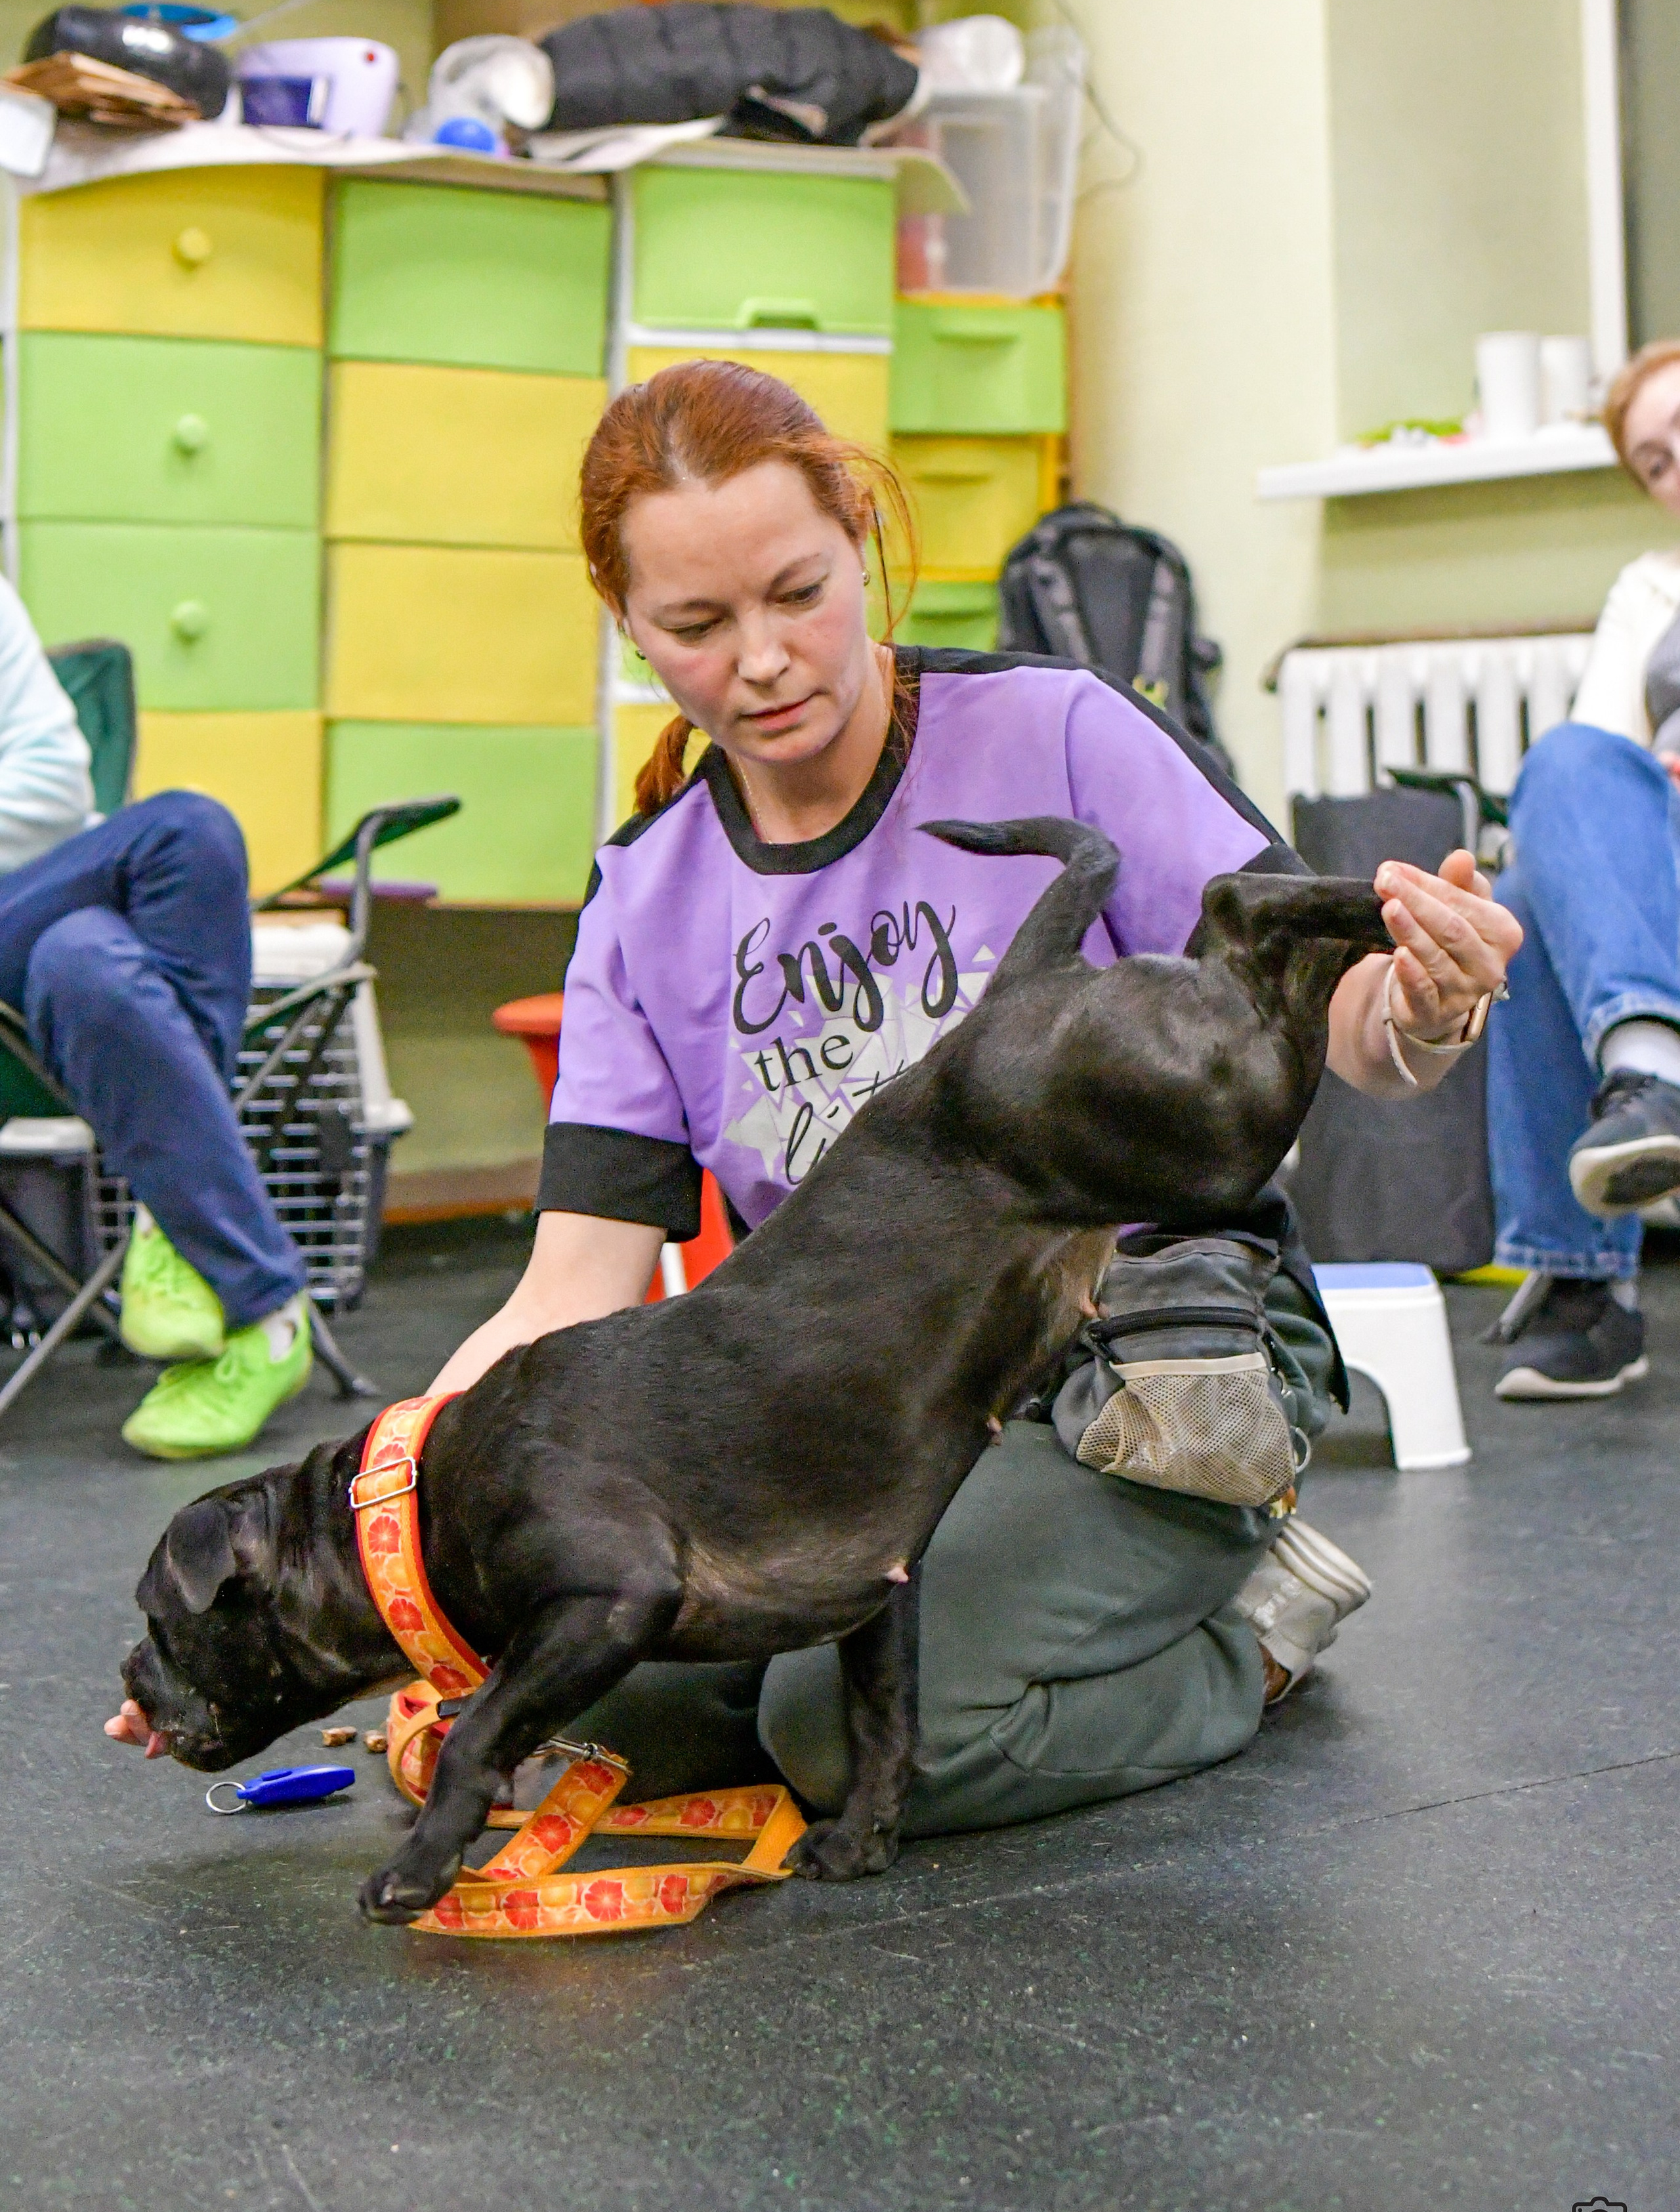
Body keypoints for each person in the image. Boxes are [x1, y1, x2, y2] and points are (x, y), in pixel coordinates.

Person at [430, 360, 1519, 1837]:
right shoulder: (642, 893)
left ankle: (1245, 1638)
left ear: (860, 538)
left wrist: (1422, 1001)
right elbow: (567, 1291)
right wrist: (378, 1542)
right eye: (694, 625)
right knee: (574, 1700)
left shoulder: (1057, 731)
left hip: (1138, 1374)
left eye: (797, 592)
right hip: (864, 1426)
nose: (760, 659)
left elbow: (1334, 1014)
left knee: (854, 1742)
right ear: (627, 628)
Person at [0, 575, 310, 1458]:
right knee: (180, 828)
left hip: (41, 922)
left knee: (88, 958)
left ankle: (176, 1237)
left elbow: (56, 788)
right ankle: (257, 1294)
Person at [1488, 339, 1680, 1398]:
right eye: (1654, 461)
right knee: (1522, 888)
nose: (1676, 467)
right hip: (1664, 851)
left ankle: (1583, 1271)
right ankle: (1586, 1285)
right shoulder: (1651, 588)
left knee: (1534, 891)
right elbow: (1594, 762)